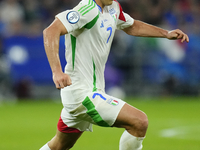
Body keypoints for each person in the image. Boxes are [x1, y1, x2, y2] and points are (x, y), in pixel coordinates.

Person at [40, 0, 189, 150]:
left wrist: (166, 33)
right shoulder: (87, 9)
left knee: (58, 146)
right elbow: (51, 31)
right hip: (81, 93)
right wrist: (57, 71)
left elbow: (132, 26)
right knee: (139, 122)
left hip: (91, 91)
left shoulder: (113, 8)